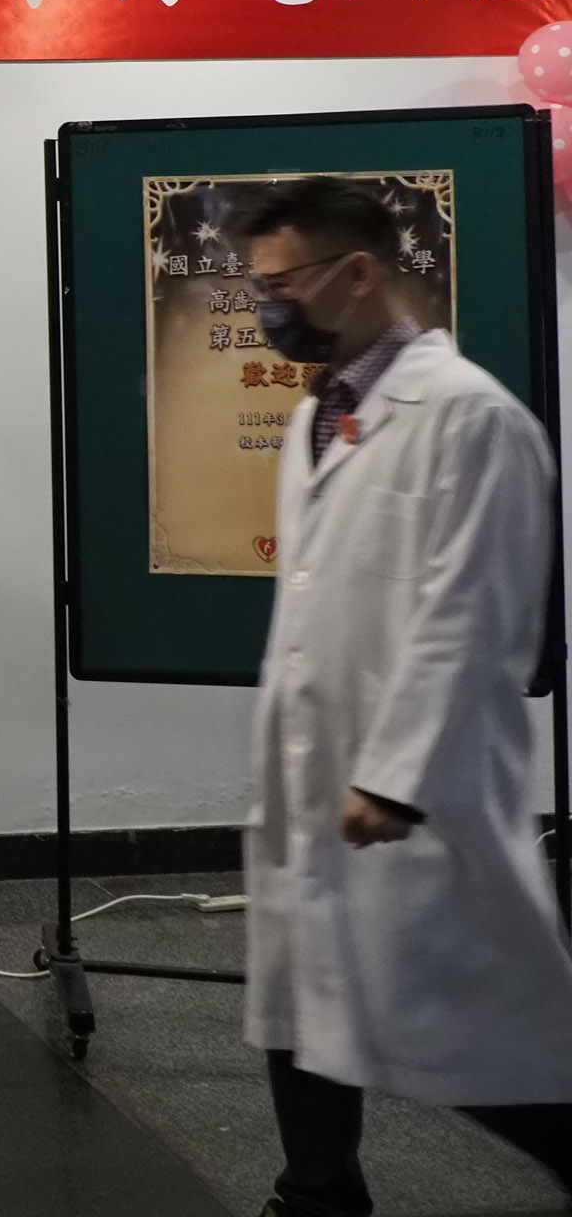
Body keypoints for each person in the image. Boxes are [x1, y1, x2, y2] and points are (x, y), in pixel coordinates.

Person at [237, 177, 572, 1216]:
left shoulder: (471, 419)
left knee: (465, 1020)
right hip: (315, 762)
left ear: (357, 271)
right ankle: (317, 1192)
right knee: (301, 1000)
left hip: (413, 785)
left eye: (279, 285)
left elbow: (474, 618)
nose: (266, 308)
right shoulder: (320, 415)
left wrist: (395, 777)